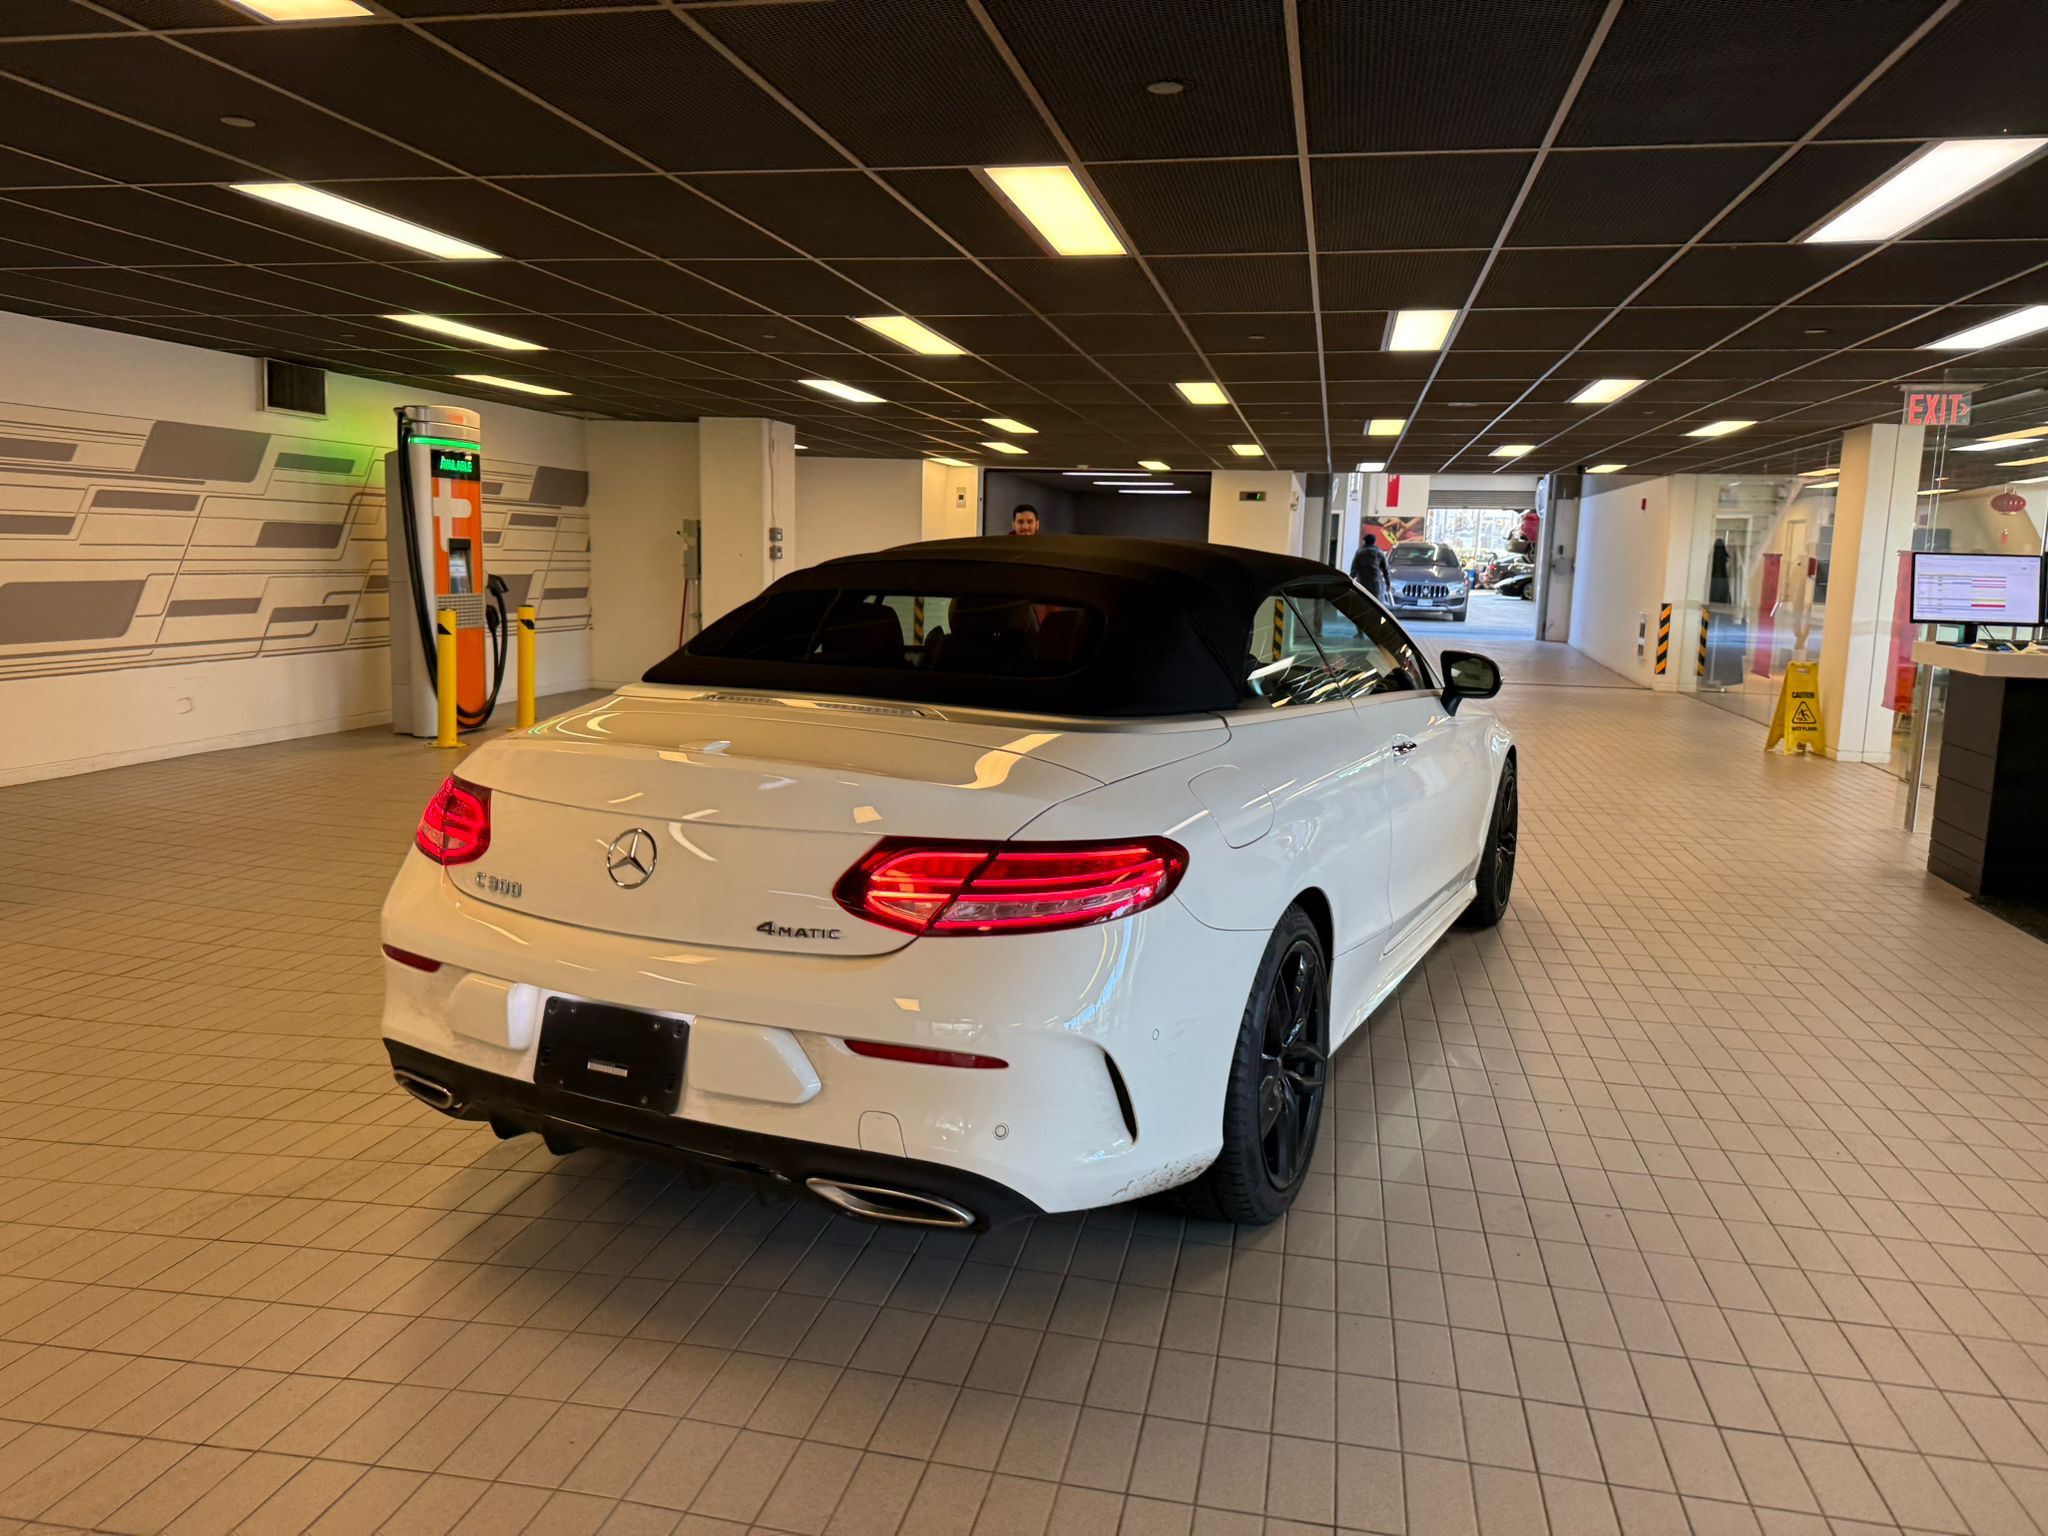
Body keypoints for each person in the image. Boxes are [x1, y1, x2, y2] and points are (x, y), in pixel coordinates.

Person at [1349, 531, 1390, 603]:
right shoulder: (1379, 552)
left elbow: (1354, 569)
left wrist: (1349, 582)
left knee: (1363, 603)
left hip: (1362, 582)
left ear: (1365, 541)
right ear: (1374, 542)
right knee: (1375, 604)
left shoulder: (1359, 552)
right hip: (1375, 583)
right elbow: (1385, 570)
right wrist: (1388, 583)